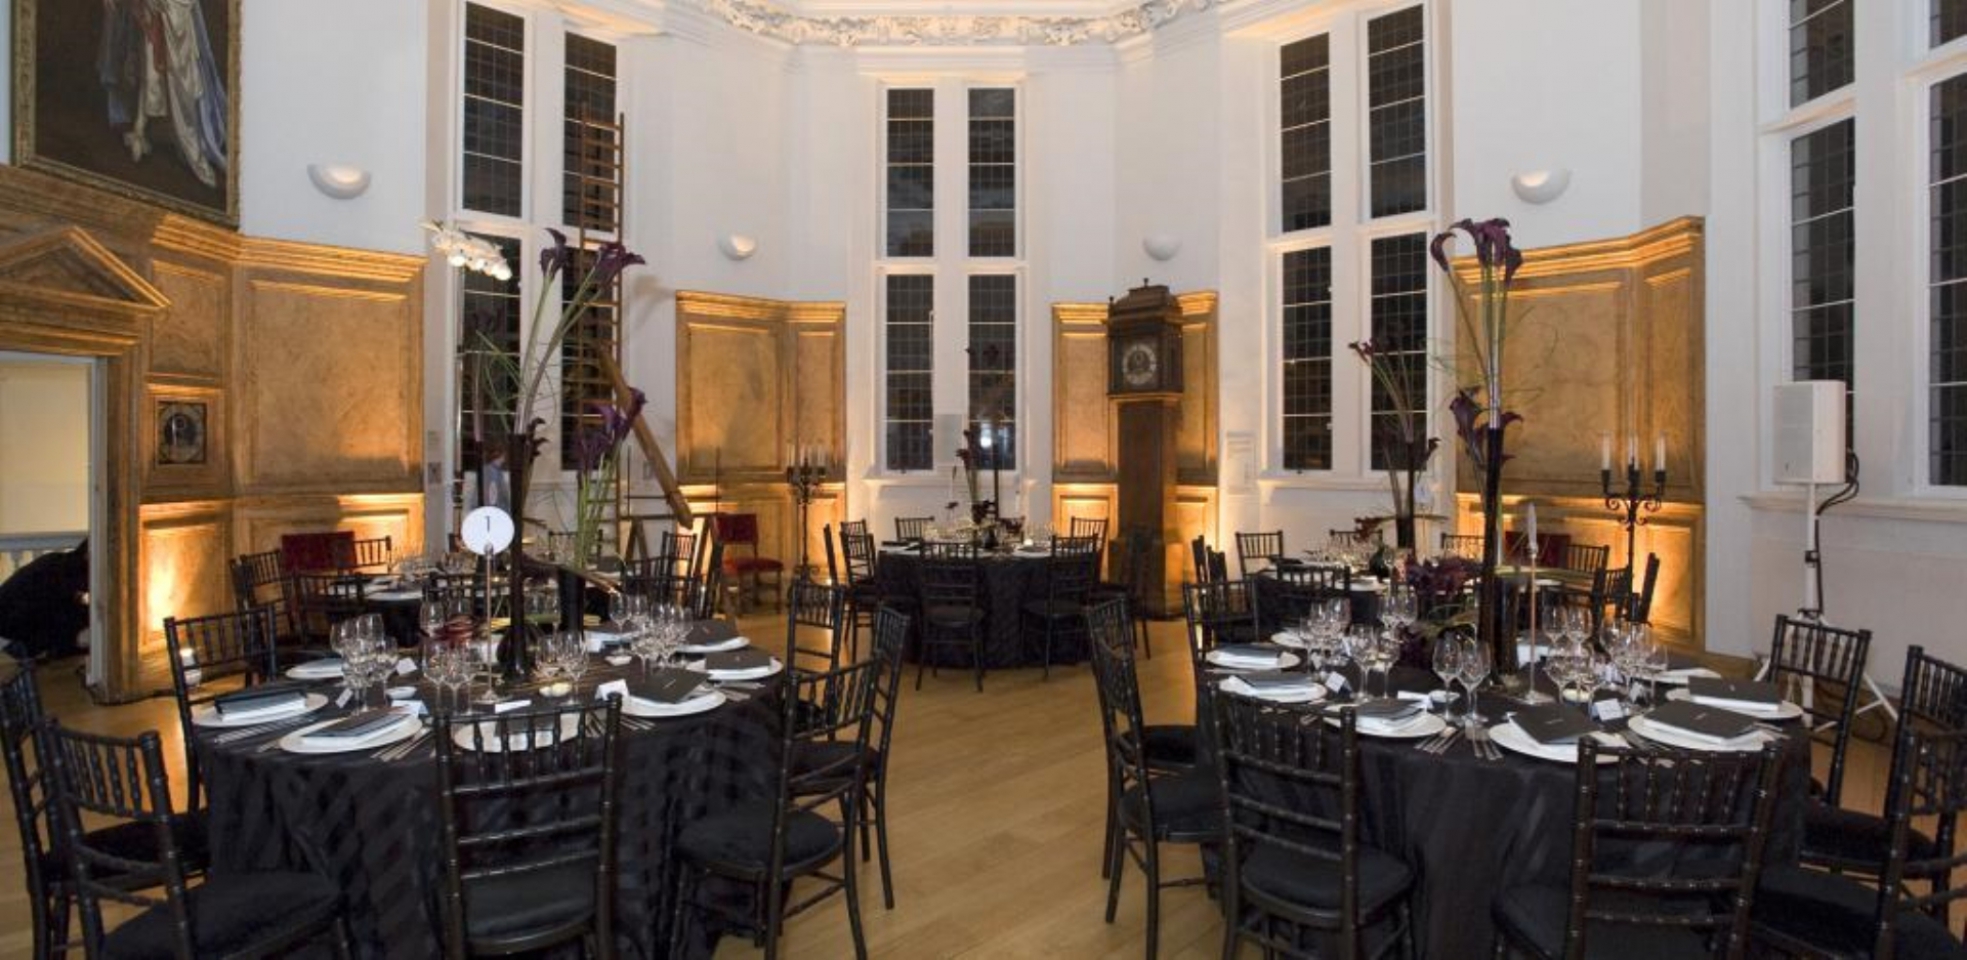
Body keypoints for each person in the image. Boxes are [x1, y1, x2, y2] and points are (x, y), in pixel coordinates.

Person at [98, 0, 230, 189]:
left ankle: (188, 142)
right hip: (150, 9)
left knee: (179, 77)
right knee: (150, 72)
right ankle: (140, 129)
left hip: (174, 10)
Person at [0, 540, 90, 661]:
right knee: (78, 618)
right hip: (10, 624)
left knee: (80, 616)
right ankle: (29, 650)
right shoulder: (67, 570)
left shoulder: (58, 561)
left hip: (9, 618)